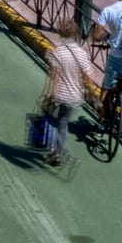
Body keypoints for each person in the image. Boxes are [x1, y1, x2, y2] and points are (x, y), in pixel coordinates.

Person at [37, 17, 93, 165]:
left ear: (61, 33)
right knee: (63, 123)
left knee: (53, 122)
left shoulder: (58, 52)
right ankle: (58, 151)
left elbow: (53, 77)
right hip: (75, 97)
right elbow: (87, 76)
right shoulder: (82, 53)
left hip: (59, 95)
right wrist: (88, 92)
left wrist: (47, 94)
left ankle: (56, 152)